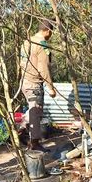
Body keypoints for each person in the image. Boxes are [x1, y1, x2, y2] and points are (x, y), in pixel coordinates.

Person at [20, 19, 57, 152]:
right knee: (36, 112)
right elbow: (44, 68)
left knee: (32, 109)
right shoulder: (41, 45)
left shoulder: (27, 41)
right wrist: (50, 88)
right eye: (52, 32)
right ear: (48, 31)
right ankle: (31, 140)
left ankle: (23, 130)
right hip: (34, 83)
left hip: (25, 82)